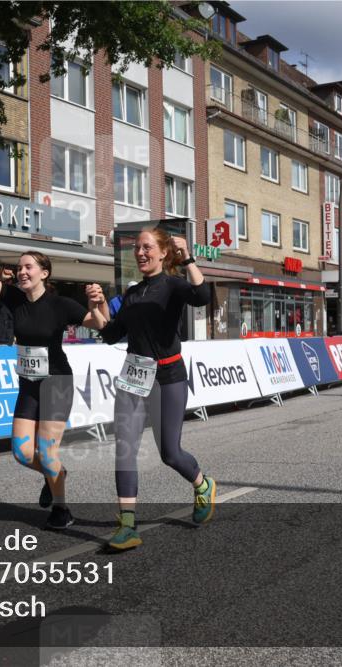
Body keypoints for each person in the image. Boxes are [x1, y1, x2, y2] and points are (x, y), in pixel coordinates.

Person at [0, 211, 104, 529]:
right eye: (19, 267)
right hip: (28, 383)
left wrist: (98, 304)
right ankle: (55, 474)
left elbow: (98, 324)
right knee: (20, 450)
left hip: (56, 382)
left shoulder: (61, 305)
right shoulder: (14, 299)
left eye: (28, 267)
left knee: (46, 449)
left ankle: (61, 508)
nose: (21, 271)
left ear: (44, 273)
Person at [88, 227, 214, 551]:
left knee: (170, 453)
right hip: (133, 376)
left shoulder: (172, 285)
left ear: (162, 253)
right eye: (137, 248)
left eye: (147, 247)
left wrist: (188, 259)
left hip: (169, 376)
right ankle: (127, 525)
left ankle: (202, 484)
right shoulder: (131, 294)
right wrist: (98, 306)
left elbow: (202, 297)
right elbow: (111, 334)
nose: (140, 253)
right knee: (125, 448)